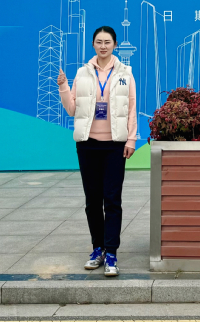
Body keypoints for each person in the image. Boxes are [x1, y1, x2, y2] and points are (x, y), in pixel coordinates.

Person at [57, 26, 136, 277]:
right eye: (99, 42)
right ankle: (97, 249)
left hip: (115, 144)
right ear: (93, 44)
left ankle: (111, 253)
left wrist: (131, 140)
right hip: (87, 144)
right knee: (92, 201)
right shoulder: (82, 73)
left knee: (112, 200)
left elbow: (132, 108)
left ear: (115, 45)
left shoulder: (125, 74)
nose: (103, 46)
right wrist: (63, 87)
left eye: (107, 42)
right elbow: (72, 109)